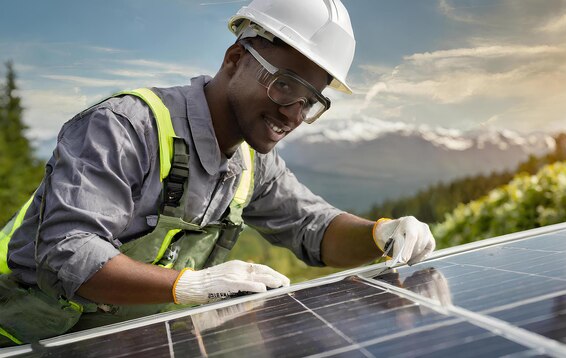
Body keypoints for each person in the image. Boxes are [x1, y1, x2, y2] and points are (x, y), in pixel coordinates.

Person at [0, 0, 435, 347]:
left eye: (310, 101)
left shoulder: (251, 161)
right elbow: (68, 252)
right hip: (18, 335)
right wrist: (191, 285)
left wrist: (380, 232)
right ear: (233, 59)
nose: (293, 113)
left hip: (112, 342)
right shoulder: (126, 126)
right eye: (284, 84)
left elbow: (313, 227)